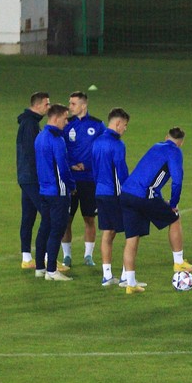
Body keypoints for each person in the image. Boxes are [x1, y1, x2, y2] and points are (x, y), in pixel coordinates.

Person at [120, 127, 192, 294]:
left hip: (126, 194)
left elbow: (150, 176)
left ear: (166, 137)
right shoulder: (175, 152)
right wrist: (173, 203)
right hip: (143, 195)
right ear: (181, 143)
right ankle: (178, 262)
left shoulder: (156, 146)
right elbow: (177, 181)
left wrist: (160, 199)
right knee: (174, 218)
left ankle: (130, 284)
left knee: (132, 238)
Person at [34, 103, 75, 282]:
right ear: (56, 118)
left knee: (44, 227)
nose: (67, 122)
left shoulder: (40, 136)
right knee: (57, 230)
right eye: (65, 118)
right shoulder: (57, 139)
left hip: (44, 190)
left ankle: (40, 267)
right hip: (58, 192)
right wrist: (72, 185)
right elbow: (63, 168)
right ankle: (52, 270)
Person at [63, 90, 105, 267]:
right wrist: (71, 165)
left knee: (89, 218)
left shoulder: (97, 125)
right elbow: (60, 149)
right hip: (70, 179)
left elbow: (104, 149)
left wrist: (89, 165)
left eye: (73, 103)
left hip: (89, 179)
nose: (70, 107)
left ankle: (88, 256)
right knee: (67, 219)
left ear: (83, 105)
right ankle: (67, 256)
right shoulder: (66, 125)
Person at [91, 108, 130, 287]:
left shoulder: (97, 142)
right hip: (115, 194)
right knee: (131, 233)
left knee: (108, 232)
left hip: (100, 191)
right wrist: (129, 191)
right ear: (117, 123)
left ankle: (107, 275)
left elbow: (94, 168)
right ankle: (126, 277)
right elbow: (121, 171)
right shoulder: (117, 144)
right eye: (125, 125)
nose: (125, 129)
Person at [16, 91, 50, 270]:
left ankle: (27, 258)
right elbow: (31, 153)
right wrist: (42, 174)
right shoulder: (30, 124)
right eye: (46, 104)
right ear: (37, 105)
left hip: (26, 176)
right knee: (48, 214)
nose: (48, 107)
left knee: (28, 216)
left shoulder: (30, 122)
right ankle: (45, 257)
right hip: (32, 177)